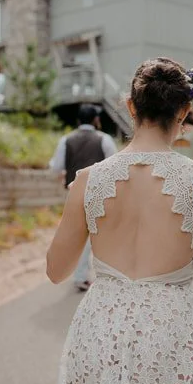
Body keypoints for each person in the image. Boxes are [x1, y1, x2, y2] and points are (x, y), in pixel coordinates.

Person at [47, 57, 193, 384]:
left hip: (100, 328)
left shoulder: (88, 181)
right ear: (183, 110)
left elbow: (56, 270)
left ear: (131, 107)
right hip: (167, 331)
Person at [48, 104, 117, 291]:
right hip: (101, 193)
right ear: (96, 120)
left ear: (79, 120)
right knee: (101, 232)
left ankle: (80, 276)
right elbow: (115, 166)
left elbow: (56, 167)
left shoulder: (66, 140)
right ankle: (101, 274)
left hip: (74, 192)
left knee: (78, 234)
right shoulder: (105, 139)